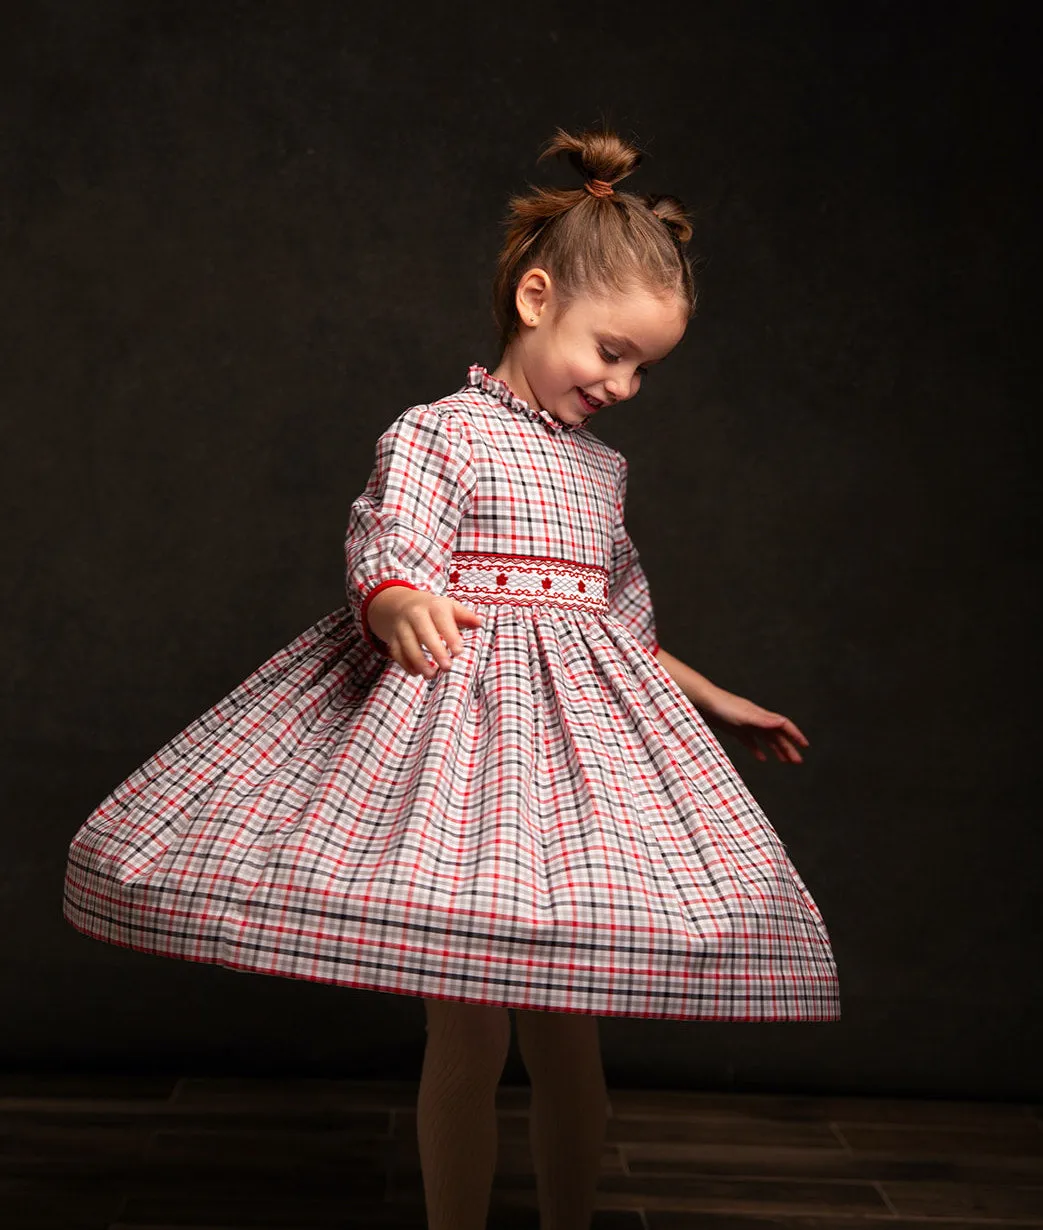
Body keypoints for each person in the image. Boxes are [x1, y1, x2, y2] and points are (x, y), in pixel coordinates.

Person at [62, 125, 840, 1230]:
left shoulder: (603, 474)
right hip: (463, 765)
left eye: (643, 370)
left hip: (571, 782)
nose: (622, 385)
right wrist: (396, 603)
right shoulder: (443, 434)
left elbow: (616, 628)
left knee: (570, 1023)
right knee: (468, 1029)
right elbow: (385, 548)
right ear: (535, 300)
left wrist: (715, 700)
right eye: (609, 351)